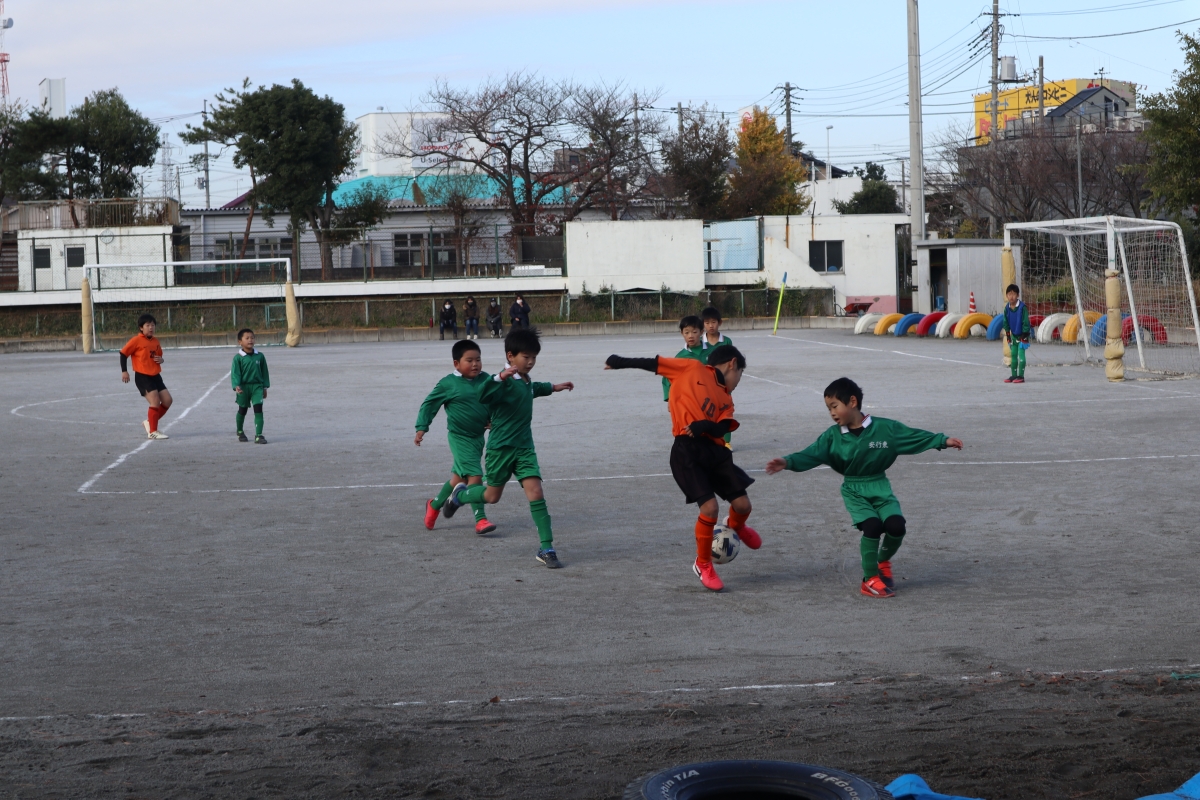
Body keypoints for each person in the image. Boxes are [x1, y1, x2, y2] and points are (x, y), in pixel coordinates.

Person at [765, 377, 963, 599]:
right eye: (828, 408)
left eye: (834, 406)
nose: (832, 413)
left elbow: (913, 436)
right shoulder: (832, 436)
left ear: (852, 402)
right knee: (872, 526)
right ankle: (869, 579)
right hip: (854, 489)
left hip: (880, 486)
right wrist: (788, 462)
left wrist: (942, 441)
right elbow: (811, 454)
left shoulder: (886, 429)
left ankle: (882, 562)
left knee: (897, 526)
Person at [605, 344, 761, 592]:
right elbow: (654, 363)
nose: (738, 382)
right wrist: (620, 361)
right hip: (686, 451)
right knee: (710, 508)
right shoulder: (691, 368)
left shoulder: (726, 397)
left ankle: (737, 526)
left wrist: (704, 426)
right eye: (740, 375)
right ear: (732, 364)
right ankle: (703, 564)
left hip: (716, 453)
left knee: (743, 505)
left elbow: (723, 428)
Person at [443, 328, 574, 568]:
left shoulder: (525, 379)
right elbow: (483, 394)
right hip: (500, 450)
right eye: (526, 357)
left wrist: (554, 387)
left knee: (536, 492)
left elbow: (532, 389)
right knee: (491, 497)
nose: (531, 362)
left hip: (524, 449)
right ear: (510, 356)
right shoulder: (500, 381)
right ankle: (460, 495)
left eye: (534, 357)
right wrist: (499, 377)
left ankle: (547, 548)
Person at [415, 339, 495, 535]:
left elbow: (495, 402)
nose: (475, 364)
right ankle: (481, 519)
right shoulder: (448, 384)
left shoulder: (486, 380)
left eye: (478, 360)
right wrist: (422, 427)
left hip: (478, 438)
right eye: (470, 360)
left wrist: (493, 419)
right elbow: (429, 404)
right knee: (475, 475)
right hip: (459, 438)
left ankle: (434, 505)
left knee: (459, 479)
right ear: (456, 363)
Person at [119, 313, 172, 440]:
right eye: (147, 325)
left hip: (156, 376)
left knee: (167, 400)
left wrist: (161, 360)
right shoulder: (136, 341)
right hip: (143, 377)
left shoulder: (155, 341)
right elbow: (123, 354)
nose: (151, 328)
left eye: (153, 325)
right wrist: (124, 371)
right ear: (141, 328)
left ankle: (149, 422)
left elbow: (158, 356)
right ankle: (152, 431)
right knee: (155, 401)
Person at [700, 307, 734, 450]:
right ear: (702, 324)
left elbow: (731, 362)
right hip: (706, 384)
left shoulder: (726, 341)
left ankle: (726, 442)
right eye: (707, 323)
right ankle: (708, 440)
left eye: (713, 322)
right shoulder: (699, 342)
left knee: (725, 411)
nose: (710, 326)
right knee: (706, 411)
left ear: (720, 323)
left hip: (723, 383)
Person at [231, 328, 270, 444]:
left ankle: (259, 435)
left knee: (258, 409)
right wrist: (236, 386)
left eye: (252, 338)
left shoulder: (260, 356)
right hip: (244, 387)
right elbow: (235, 374)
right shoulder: (238, 358)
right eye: (247, 338)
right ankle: (240, 431)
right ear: (240, 342)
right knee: (242, 410)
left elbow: (265, 372)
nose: (250, 340)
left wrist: (265, 387)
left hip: (257, 386)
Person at [663, 315, 705, 402]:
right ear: (682, 333)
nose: (690, 336)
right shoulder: (680, 357)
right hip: (690, 399)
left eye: (694, 332)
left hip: (711, 396)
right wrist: (670, 399)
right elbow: (668, 378)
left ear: (701, 332)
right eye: (686, 333)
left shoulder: (713, 351)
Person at [1001, 284, 1031, 384]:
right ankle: (1013, 375)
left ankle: (1021, 376)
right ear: (1006, 295)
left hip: (1022, 336)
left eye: (1013, 294)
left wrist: (1024, 336)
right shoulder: (1007, 308)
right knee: (1013, 355)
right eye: (1009, 294)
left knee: (1021, 357)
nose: (1011, 296)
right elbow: (1005, 322)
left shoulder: (1022, 308)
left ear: (1017, 295)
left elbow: (1026, 322)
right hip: (1013, 336)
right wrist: (1008, 336)